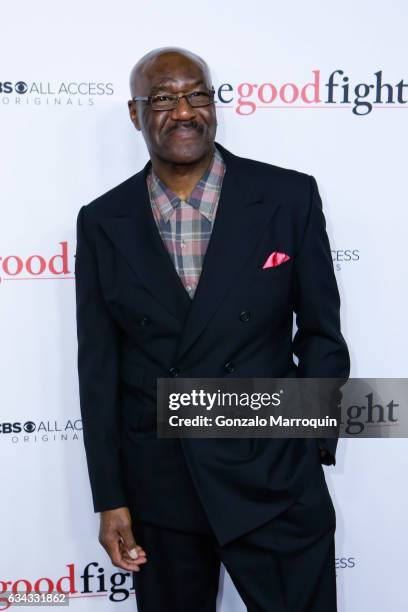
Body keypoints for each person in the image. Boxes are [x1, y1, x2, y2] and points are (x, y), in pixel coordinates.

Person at [75, 46, 350, 612]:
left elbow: (322, 334)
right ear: (135, 114)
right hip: (162, 489)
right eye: (163, 99)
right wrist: (112, 496)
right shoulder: (103, 220)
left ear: (215, 104)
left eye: (197, 93)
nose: (184, 111)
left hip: (272, 478)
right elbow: (99, 368)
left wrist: (303, 442)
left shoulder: (287, 197)